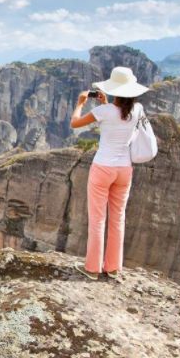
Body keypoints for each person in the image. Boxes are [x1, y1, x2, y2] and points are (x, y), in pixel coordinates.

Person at [69, 66, 150, 281]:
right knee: (118, 218)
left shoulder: (104, 112)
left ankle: (93, 269)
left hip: (102, 168)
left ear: (114, 90)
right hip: (124, 170)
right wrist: (105, 104)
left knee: (97, 219)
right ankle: (113, 268)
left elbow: (74, 123)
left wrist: (80, 104)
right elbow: (120, 118)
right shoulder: (138, 110)